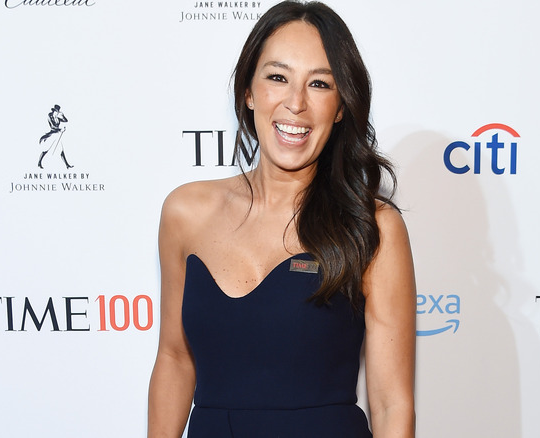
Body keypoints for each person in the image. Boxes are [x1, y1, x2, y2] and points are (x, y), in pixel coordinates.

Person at [148, 1, 416, 437]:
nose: (296, 103)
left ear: (342, 106)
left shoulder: (372, 225)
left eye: (319, 84)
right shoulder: (185, 212)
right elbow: (175, 359)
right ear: (249, 92)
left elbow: (391, 403)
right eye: (277, 77)